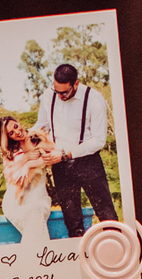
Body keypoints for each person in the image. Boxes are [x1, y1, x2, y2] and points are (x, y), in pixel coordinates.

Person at [42, 62, 116, 237]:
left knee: (107, 215)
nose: (60, 96)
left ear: (76, 83)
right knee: (72, 221)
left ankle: (117, 255)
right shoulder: (47, 96)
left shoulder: (94, 98)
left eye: (64, 92)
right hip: (60, 167)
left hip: (88, 162)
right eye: (56, 91)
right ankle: (81, 260)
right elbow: (43, 125)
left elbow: (98, 140)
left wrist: (66, 154)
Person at [0, 116, 58, 258]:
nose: (17, 132)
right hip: (16, 202)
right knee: (34, 224)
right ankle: (39, 263)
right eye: (11, 133)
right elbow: (8, 174)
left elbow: (51, 155)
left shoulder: (36, 136)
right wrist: (26, 158)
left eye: (16, 126)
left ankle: (27, 262)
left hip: (38, 199)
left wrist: (29, 165)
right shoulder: (9, 151)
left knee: (36, 213)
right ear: (8, 137)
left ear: (18, 122)